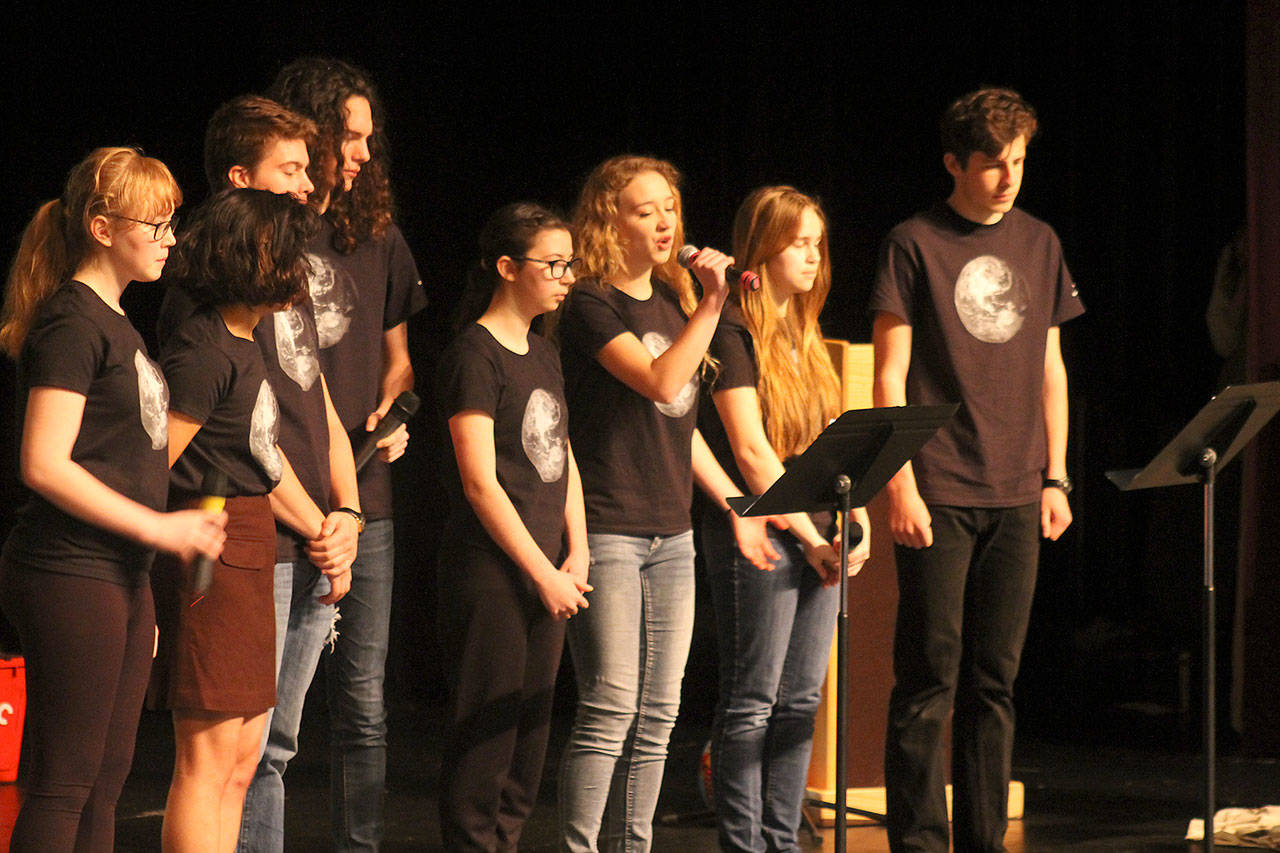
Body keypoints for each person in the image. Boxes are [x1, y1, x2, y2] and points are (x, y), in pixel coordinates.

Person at [870, 87, 1084, 852]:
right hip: (940, 487)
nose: (1007, 177)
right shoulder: (913, 242)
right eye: (992, 163)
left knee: (995, 683)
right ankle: (920, 842)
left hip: (1019, 490)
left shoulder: (1040, 241)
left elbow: (1052, 368)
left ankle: (983, 841)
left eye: (1017, 161)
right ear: (954, 163)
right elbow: (889, 374)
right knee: (930, 678)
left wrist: (1056, 476)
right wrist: (899, 483)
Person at [0, 147, 226, 852]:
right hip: (68, 569)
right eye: (154, 225)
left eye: (170, 223)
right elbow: (43, 462)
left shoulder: (117, 324)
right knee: (65, 781)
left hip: (119, 574)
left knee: (105, 781)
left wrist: (145, 565)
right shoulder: (73, 322)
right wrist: (160, 528)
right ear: (102, 228)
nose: (169, 239)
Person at [556, 154, 776, 852]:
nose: (663, 222)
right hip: (610, 525)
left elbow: (680, 426)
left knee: (659, 714)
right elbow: (659, 381)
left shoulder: (672, 302)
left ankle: (634, 845)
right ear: (608, 221)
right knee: (609, 706)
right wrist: (712, 302)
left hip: (671, 532)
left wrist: (737, 506)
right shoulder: (590, 302)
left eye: (670, 209)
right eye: (644, 210)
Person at [239, 58, 426, 853]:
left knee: (362, 702)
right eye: (348, 136)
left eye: (367, 139)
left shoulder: (376, 237)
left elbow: (395, 361)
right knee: (262, 728)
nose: (361, 153)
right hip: (280, 499)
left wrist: (389, 412)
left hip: (358, 491)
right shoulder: (258, 242)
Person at [150, 188, 330, 852]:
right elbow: (155, 465)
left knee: (242, 759)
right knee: (208, 761)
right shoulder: (203, 348)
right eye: (288, 254)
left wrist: (324, 528)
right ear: (249, 255)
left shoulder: (243, 340)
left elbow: (259, 456)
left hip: (252, 543)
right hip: (214, 550)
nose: (299, 270)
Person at [699, 186, 872, 852]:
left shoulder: (803, 329)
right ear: (763, 249)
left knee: (801, 699)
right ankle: (745, 844)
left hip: (816, 530)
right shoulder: (731, 330)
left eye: (817, 244)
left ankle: (783, 840)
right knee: (753, 698)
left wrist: (849, 523)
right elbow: (751, 451)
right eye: (798, 243)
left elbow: (829, 442)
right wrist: (810, 536)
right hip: (763, 530)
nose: (812, 256)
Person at [435, 202, 592, 851]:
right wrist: (540, 572)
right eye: (552, 264)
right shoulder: (474, 354)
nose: (566, 277)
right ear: (507, 267)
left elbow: (562, 453)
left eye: (569, 264)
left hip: (548, 570)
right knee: (487, 738)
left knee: (530, 737)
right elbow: (479, 481)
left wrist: (578, 548)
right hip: (494, 573)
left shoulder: (544, 352)